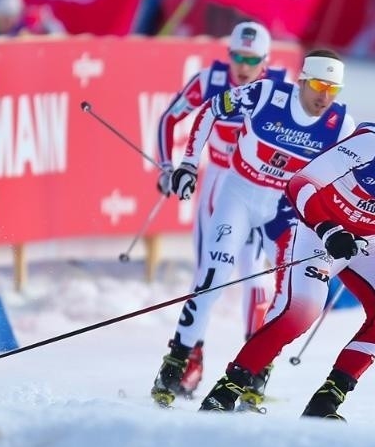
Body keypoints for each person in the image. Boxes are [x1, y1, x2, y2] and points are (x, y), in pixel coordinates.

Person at [197, 98, 375, 420]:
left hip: (369, 240)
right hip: (318, 230)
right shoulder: (372, 143)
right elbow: (299, 184)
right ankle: (226, 390)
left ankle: (326, 402)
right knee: (302, 313)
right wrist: (328, 229)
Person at [151, 49, 357, 408]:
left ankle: (255, 371)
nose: (325, 96)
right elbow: (211, 111)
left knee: (284, 290)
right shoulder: (266, 94)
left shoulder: (341, 125)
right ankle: (175, 364)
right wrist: (187, 164)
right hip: (241, 195)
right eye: (320, 85)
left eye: (334, 89)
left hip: (285, 209)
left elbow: (351, 178)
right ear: (304, 80)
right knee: (212, 278)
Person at [154, 21, 287, 398]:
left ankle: (253, 366)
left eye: (251, 59)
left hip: (259, 187)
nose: (242, 67)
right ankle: (188, 359)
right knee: (207, 274)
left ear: (266, 59)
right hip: (217, 183)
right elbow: (170, 118)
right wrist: (170, 167)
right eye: (236, 57)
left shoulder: (279, 87)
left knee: (254, 275)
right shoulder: (210, 81)